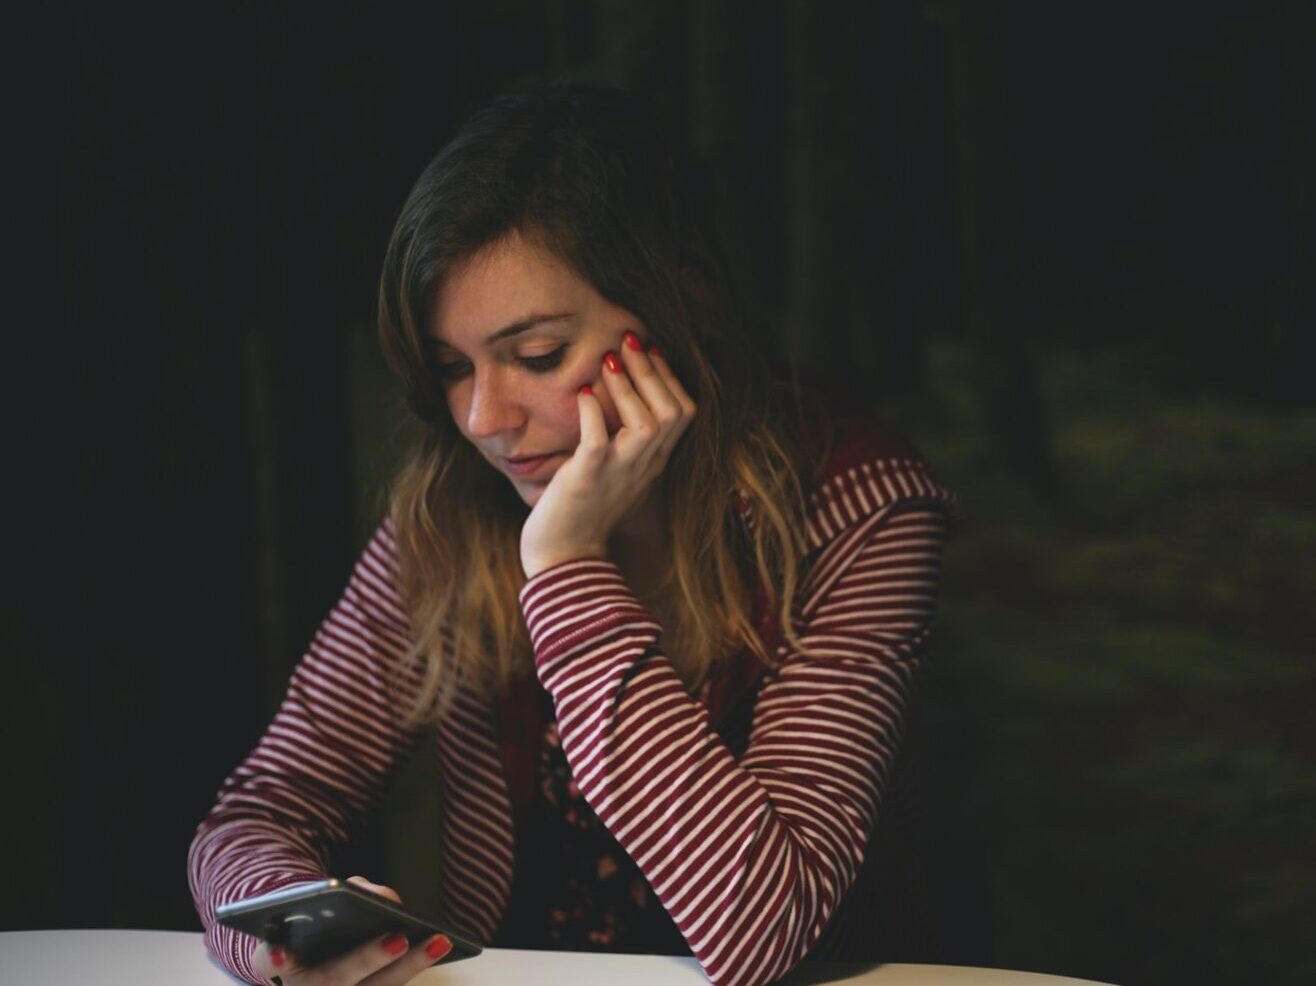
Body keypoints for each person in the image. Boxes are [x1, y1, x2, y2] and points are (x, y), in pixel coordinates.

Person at [188, 84, 960, 986]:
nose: (482, 418)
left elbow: (762, 931)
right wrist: (286, 936)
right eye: (451, 368)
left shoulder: (860, 509)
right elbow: (262, 808)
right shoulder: (450, 508)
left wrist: (564, 566)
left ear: (681, 307)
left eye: (538, 355)